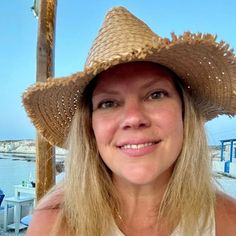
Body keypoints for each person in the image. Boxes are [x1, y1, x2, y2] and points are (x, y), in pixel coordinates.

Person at [23, 6, 236, 236]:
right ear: (89, 127)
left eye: (155, 95)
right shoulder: (54, 223)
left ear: (185, 113)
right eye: (109, 103)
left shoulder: (227, 221)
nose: (134, 118)